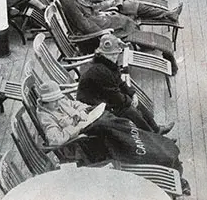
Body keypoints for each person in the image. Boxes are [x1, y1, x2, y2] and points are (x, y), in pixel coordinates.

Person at [37, 80, 191, 195]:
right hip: (87, 140)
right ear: (46, 101)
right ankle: (162, 158)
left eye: (58, 98)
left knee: (127, 129)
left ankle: (161, 150)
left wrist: (82, 112)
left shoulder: (58, 102)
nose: (58, 102)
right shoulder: (47, 117)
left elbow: (76, 104)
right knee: (131, 145)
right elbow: (55, 140)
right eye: (54, 101)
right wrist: (76, 127)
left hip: (96, 124)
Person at [76, 33, 174, 134]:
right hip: (93, 106)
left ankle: (156, 129)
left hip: (104, 96)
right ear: (102, 54)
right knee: (129, 111)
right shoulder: (100, 71)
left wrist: (132, 94)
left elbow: (120, 83)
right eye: (111, 55)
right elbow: (115, 97)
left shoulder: (108, 64)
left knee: (135, 102)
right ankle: (154, 137)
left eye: (116, 53)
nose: (115, 57)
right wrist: (130, 101)